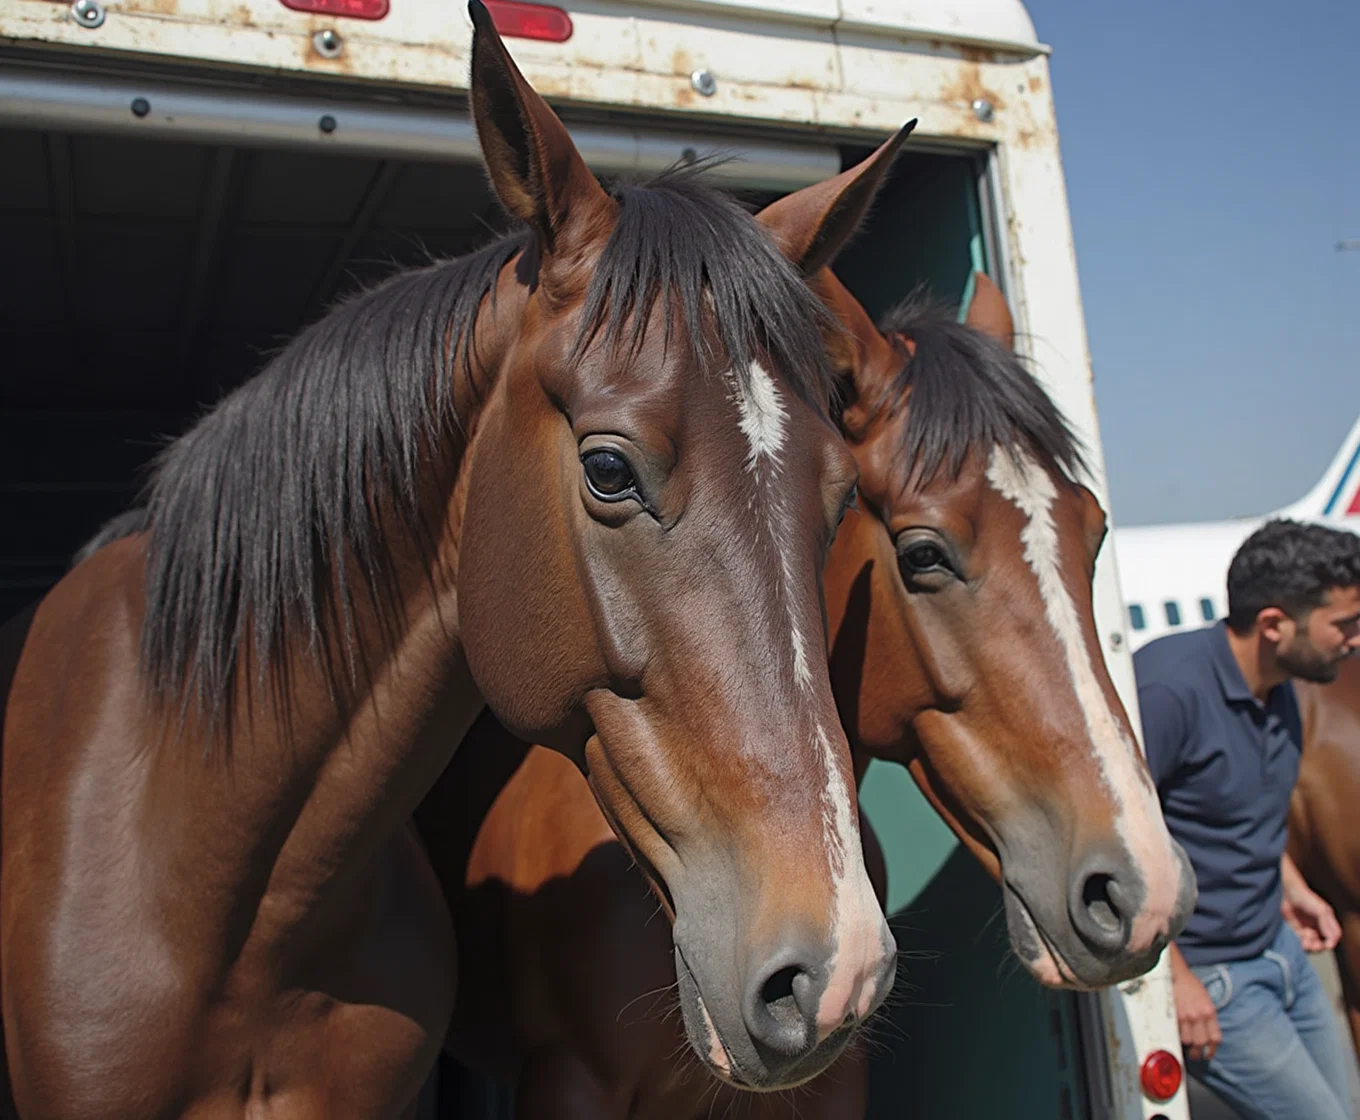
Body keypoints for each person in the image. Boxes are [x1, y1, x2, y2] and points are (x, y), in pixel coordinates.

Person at [1136, 518, 1360, 1120]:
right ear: (1274, 625)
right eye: (1344, 624)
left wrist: (1293, 889)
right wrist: (1175, 979)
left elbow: (1239, 815)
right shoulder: (1168, 691)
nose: (1355, 640)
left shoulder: (1283, 683)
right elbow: (1120, 846)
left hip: (1282, 953)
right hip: (1215, 980)